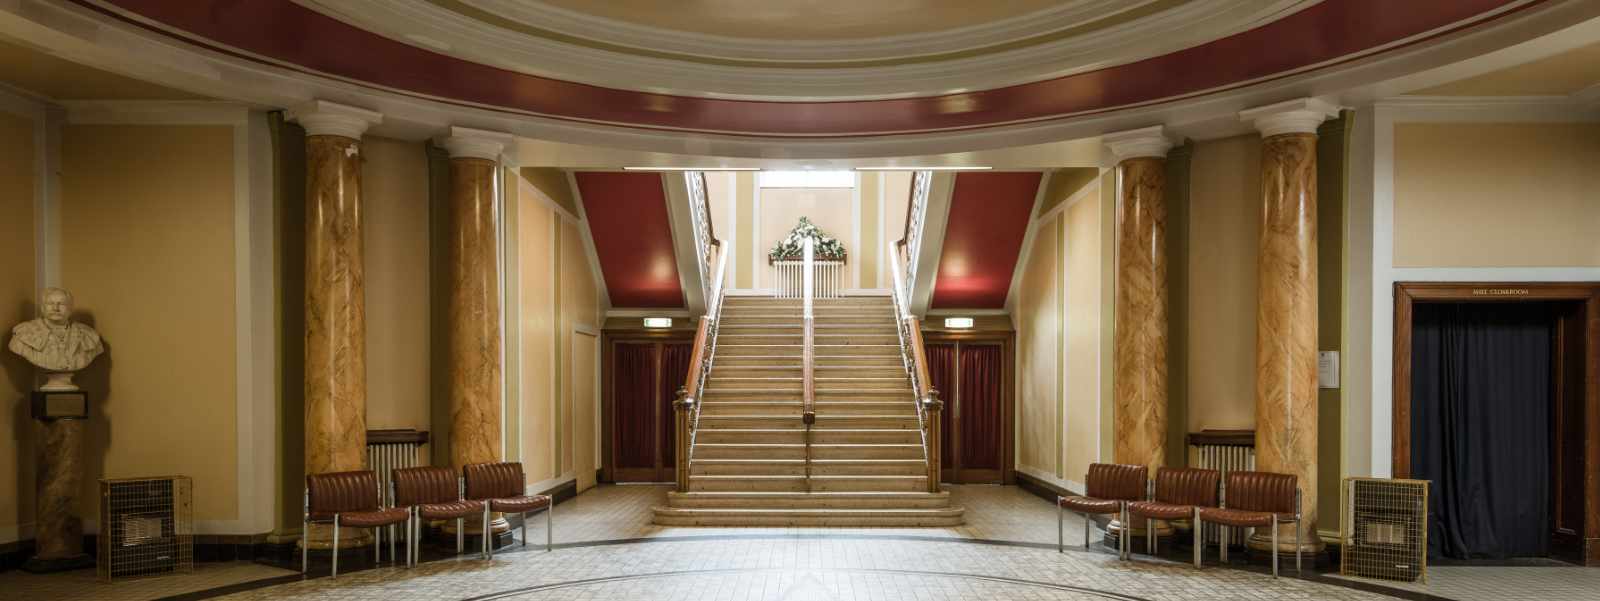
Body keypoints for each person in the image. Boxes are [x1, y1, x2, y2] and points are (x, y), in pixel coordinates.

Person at [9, 287, 104, 374]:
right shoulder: (24, 334)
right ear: (43, 308)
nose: (55, 308)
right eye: (50, 304)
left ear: (70, 309)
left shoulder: (88, 335)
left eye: (61, 304)